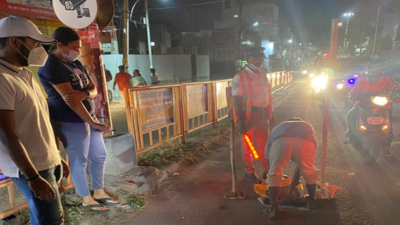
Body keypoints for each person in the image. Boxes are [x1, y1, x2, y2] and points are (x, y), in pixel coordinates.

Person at [38, 27, 118, 212]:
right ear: (60, 45)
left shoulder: (74, 64)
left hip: (88, 117)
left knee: (99, 155)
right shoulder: (50, 66)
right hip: (69, 120)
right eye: (74, 47)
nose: (77, 51)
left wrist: (83, 94)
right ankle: (85, 198)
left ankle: (98, 191)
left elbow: (93, 88)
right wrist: (92, 121)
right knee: (79, 160)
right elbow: (70, 101)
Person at [0, 16, 70, 225]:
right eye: (35, 42)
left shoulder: (25, 75)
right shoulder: (2, 78)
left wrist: (56, 156)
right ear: (14, 42)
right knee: (51, 220)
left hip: (47, 162)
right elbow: (6, 133)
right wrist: (32, 177)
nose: (40, 48)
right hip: (31, 168)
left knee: (46, 218)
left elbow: (40, 121)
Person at [232, 47, 276, 184]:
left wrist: (271, 113)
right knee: (247, 145)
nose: (259, 60)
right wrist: (241, 121)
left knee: (265, 143)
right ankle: (249, 172)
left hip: (263, 114)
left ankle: (268, 170)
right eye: (256, 58)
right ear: (248, 59)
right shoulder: (240, 77)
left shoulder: (262, 73)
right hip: (249, 116)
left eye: (261, 57)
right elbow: (237, 101)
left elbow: (267, 95)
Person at [264, 118, 318, 219]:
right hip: (305, 141)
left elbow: (268, 158)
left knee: (274, 174)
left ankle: (274, 210)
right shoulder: (307, 125)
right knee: (309, 170)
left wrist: (270, 173)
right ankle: (311, 201)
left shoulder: (279, 128)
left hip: (281, 141)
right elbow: (301, 164)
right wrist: (294, 182)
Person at [345, 59, 395, 156]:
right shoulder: (362, 81)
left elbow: (392, 90)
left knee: (389, 126)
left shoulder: (386, 80)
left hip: (382, 106)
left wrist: (393, 95)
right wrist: (356, 97)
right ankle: (351, 133)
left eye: (378, 68)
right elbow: (353, 94)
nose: (375, 71)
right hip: (364, 105)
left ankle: (386, 150)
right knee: (350, 115)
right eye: (373, 68)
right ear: (369, 69)